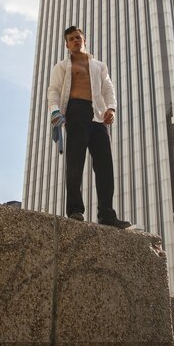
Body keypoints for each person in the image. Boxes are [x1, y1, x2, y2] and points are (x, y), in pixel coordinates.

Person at [48, 26, 131, 229]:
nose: (76, 41)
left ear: (84, 40)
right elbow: (54, 90)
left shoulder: (99, 65)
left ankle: (107, 214)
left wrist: (111, 108)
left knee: (105, 165)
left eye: (78, 37)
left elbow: (107, 88)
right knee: (75, 162)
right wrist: (55, 111)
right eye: (71, 39)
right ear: (67, 45)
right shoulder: (62, 66)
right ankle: (75, 210)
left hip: (97, 115)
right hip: (76, 111)